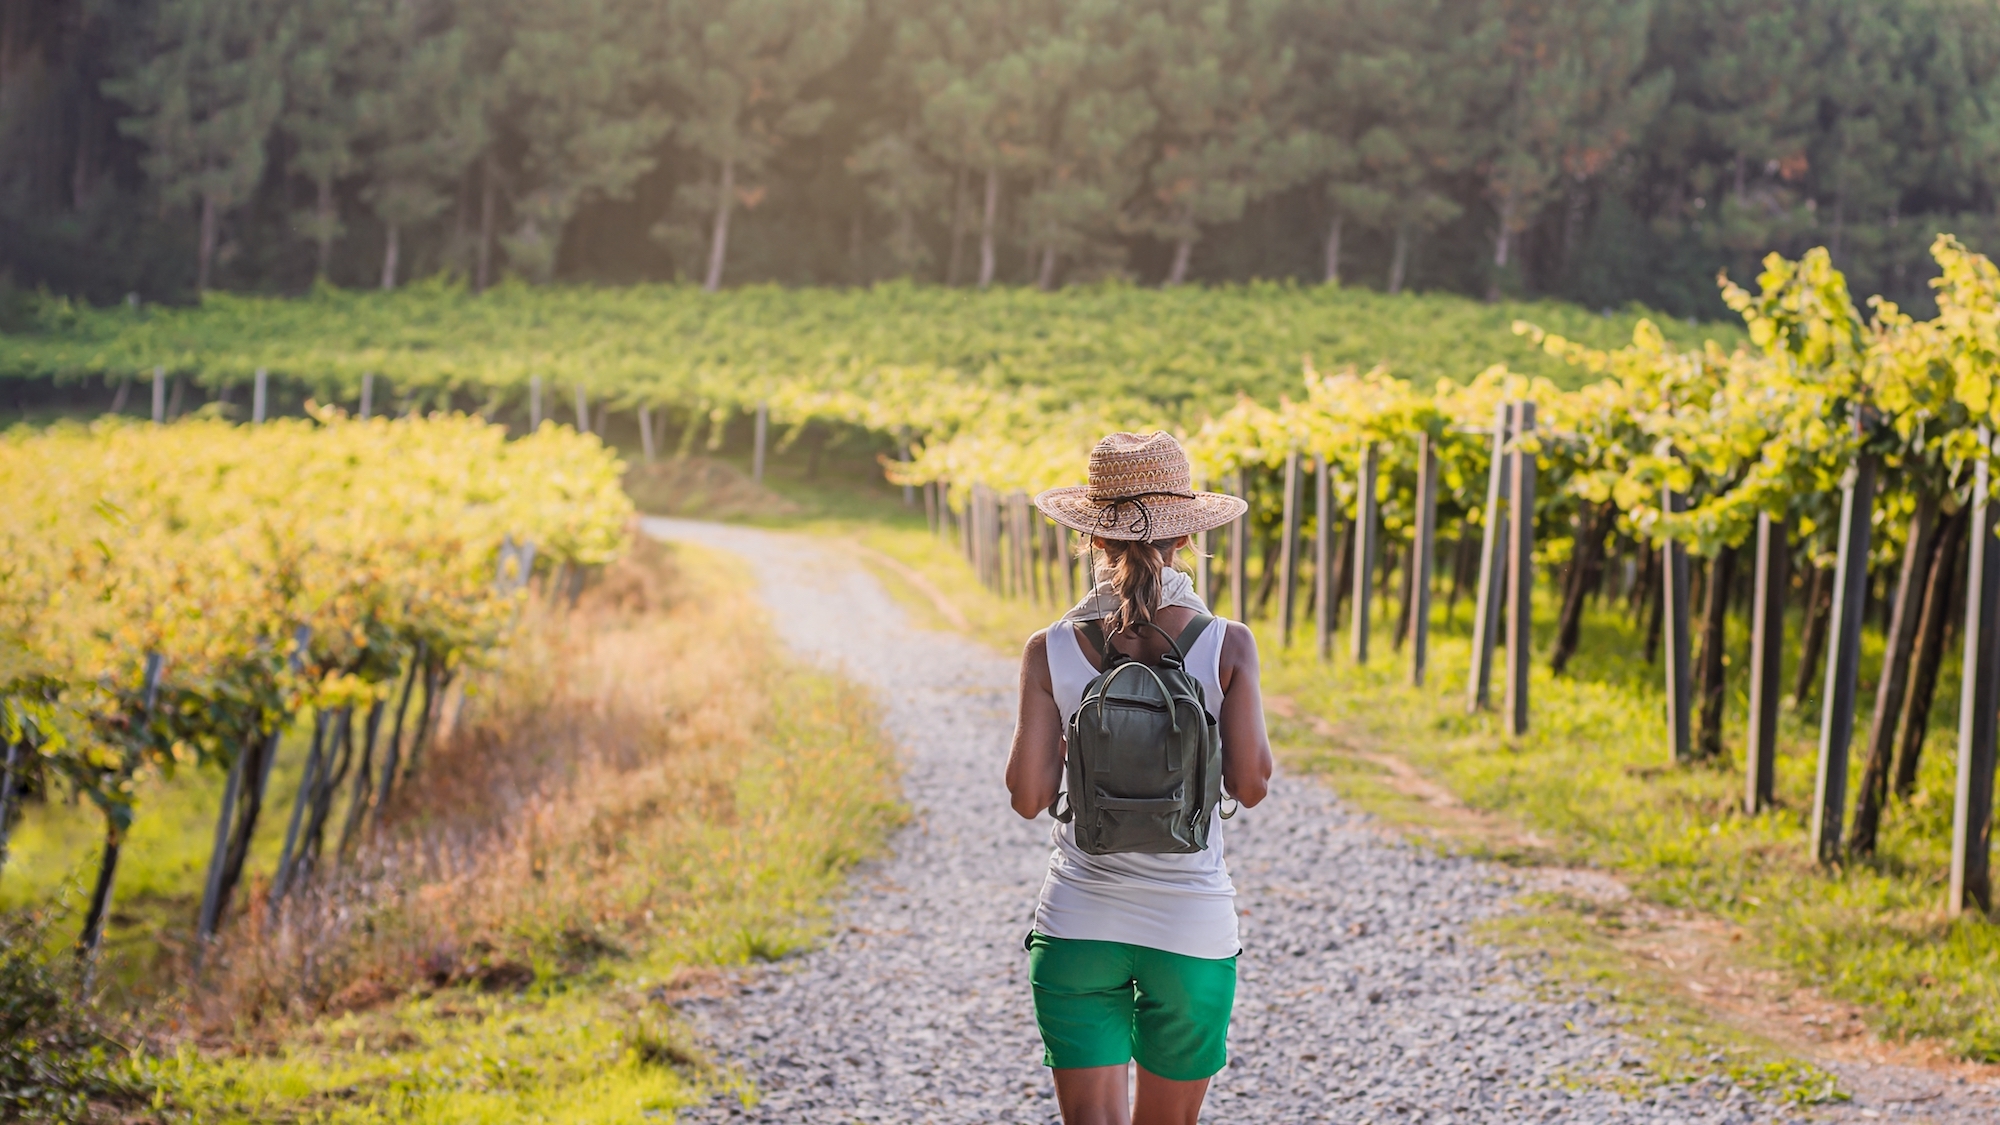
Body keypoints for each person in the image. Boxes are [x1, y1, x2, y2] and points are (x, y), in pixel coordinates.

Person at [1006, 430, 1273, 1125]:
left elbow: (1029, 798)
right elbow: (1251, 784)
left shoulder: (1050, 647)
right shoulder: (1226, 643)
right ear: (1185, 538)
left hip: (1077, 923)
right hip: (1190, 929)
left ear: (1092, 537)